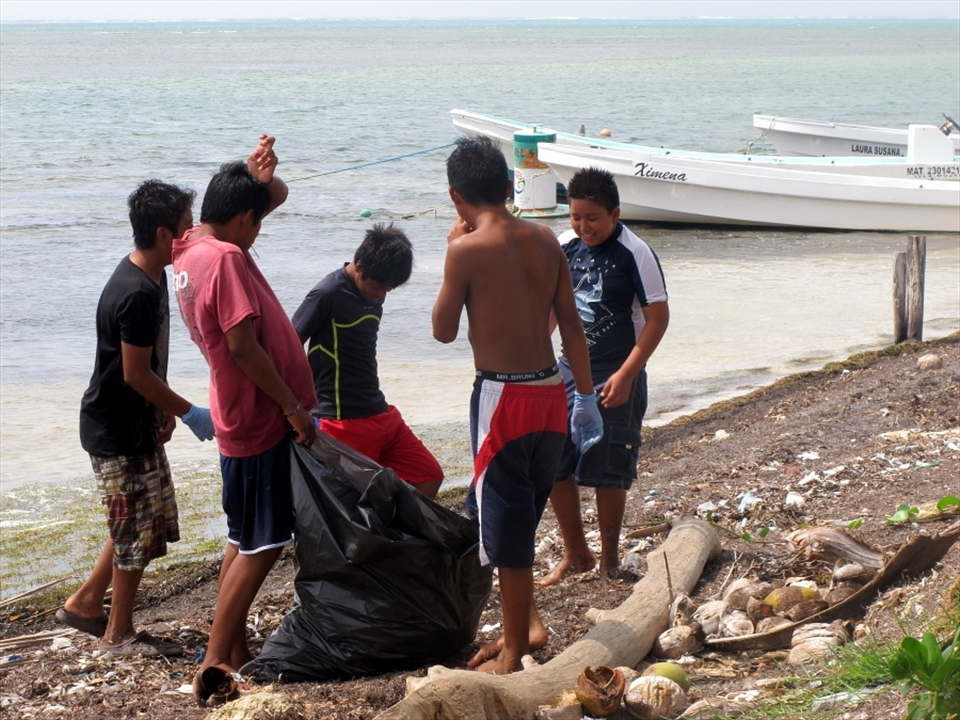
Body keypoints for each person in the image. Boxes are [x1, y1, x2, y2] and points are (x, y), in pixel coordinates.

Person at [432, 136, 602, 676]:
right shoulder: (546, 239)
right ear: (509, 188)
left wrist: (449, 252)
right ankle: (524, 626)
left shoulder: (465, 249)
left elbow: (441, 331)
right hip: (552, 390)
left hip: (501, 396)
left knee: (504, 530)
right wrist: (588, 398)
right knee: (508, 516)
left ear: (456, 197)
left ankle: (514, 649)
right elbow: (571, 326)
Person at [171, 135, 317, 699]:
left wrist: (262, 178)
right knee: (265, 541)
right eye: (254, 223)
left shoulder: (192, 250)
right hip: (258, 416)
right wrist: (291, 406)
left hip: (236, 415)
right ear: (238, 220)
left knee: (242, 537)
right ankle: (214, 661)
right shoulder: (227, 257)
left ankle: (230, 646)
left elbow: (269, 199)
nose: (258, 234)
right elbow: (243, 346)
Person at [58, 180, 215, 657]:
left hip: (135, 421)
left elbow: (148, 363)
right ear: (166, 235)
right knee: (134, 535)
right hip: (114, 430)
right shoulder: (136, 292)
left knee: (139, 525)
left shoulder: (153, 273)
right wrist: (186, 411)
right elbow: (133, 373)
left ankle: (85, 603)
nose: (193, 236)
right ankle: (117, 634)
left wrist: (161, 413)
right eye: (187, 228)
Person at [540, 167, 669, 587]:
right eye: (576, 217)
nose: (583, 227)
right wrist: (538, 368)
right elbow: (549, 313)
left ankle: (610, 560)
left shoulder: (636, 252)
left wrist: (629, 373)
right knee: (555, 464)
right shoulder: (563, 247)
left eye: (592, 218)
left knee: (608, 469)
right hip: (565, 373)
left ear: (615, 213)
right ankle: (576, 553)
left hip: (616, 375)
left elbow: (657, 319)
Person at [292, 223, 444, 498]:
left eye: (389, 290)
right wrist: (294, 409)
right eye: (377, 287)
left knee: (429, 475)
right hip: (338, 419)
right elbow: (289, 347)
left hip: (379, 411)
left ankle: (394, 539)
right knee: (350, 503)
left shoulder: (374, 288)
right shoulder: (327, 293)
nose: (381, 295)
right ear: (359, 265)